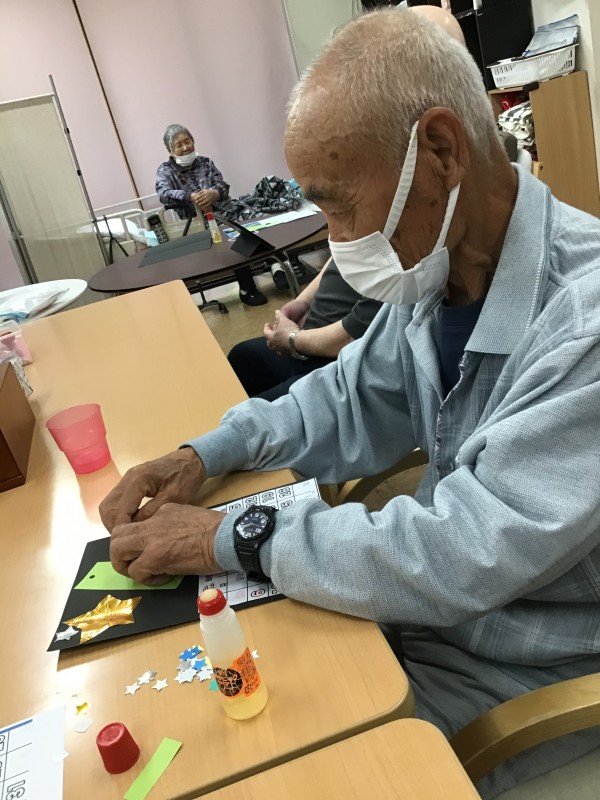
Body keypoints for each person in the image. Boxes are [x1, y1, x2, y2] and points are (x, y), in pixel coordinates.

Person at [101, 10, 600, 798]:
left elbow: (462, 549)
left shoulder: (584, 325)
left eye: (339, 207)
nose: (336, 242)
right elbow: (343, 398)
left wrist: (229, 535)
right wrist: (205, 453)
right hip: (424, 618)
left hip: (519, 667)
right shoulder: (438, 270)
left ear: (441, 152)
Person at [227, 258, 382, 400]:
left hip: (340, 363)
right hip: (312, 339)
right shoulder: (359, 239)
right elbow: (337, 256)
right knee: (242, 356)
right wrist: (303, 301)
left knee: (250, 415)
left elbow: (349, 337)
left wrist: (292, 339)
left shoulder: (392, 267)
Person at [155, 124, 267, 306]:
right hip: (198, 221)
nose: (185, 147)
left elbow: (222, 185)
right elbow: (163, 194)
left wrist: (214, 194)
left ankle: (278, 267)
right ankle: (247, 288)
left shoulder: (205, 162)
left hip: (226, 210)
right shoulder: (165, 171)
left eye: (188, 141)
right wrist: (190, 197)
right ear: (170, 150)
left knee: (262, 221)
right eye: (179, 145)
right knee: (231, 237)